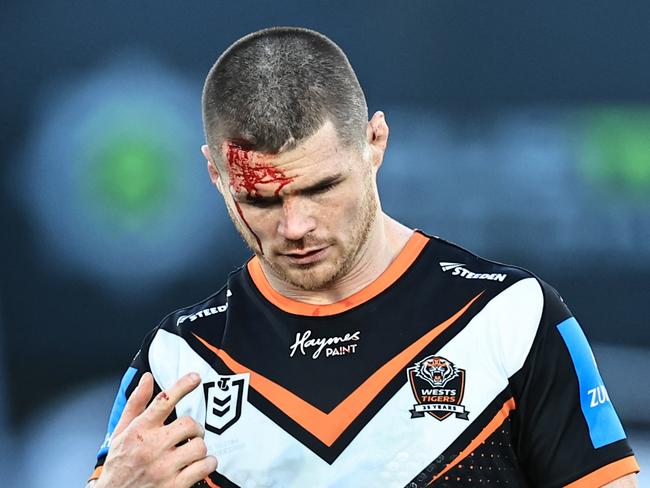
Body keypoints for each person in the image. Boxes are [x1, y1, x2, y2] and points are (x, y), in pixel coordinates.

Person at [87, 27, 640, 488]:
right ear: (214, 174)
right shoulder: (180, 357)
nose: (295, 226)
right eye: (258, 198)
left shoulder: (512, 317)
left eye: (322, 187)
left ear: (375, 142)